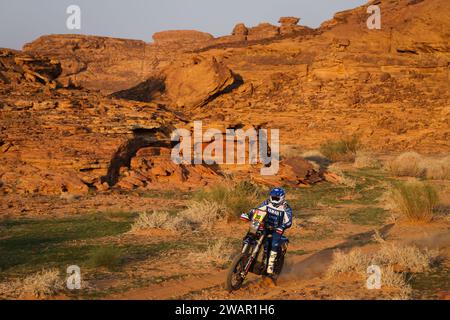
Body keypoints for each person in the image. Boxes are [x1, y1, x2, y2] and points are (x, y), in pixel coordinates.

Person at [240, 187, 293, 275]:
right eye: (273, 197)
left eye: (276, 198)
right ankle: (242, 255)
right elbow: (258, 210)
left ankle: (270, 268)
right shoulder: (267, 202)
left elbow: (289, 221)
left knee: (273, 244)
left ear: (282, 198)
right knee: (251, 234)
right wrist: (248, 215)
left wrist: (282, 226)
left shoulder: (286, 207)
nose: (274, 199)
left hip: (277, 229)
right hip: (264, 225)